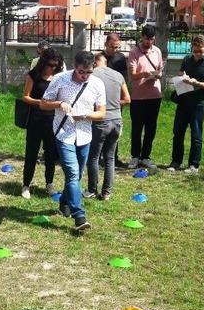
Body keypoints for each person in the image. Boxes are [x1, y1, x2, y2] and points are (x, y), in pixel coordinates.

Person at [40, 51, 106, 231]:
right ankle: (79, 215)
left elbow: (102, 113)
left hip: (85, 135)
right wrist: (59, 104)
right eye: (81, 71)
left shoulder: (97, 84)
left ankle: (63, 204)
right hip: (64, 133)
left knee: (76, 176)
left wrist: (85, 115)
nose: (85, 75)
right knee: (72, 173)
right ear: (74, 67)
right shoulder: (60, 79)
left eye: (89, 72)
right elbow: (43, 103)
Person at [168, 35, 204, 173]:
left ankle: (194, 164)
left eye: (200, 51)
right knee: (178, 132)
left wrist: (198, 84)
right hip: (183, 101)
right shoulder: (187, 59)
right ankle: (176, 161)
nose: (197, 54)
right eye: (195, 51)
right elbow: (180, 73)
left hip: (199, 103)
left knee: (196, 134)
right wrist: (182, 77)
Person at [86, 53, 130, 200]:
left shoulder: (92, 76)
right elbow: (127, 99)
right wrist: (114, 105)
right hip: (117, 120)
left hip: (100, 121)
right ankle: (106, 192)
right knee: (110, 158)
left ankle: (92, 189)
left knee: (94, 157)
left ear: (93, 63)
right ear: (105, 62)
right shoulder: (118, 75)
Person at [21, 47, 64, 199]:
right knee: (31, 152)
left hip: (53, 120)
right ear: (43, 62)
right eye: (50, 65)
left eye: (55, 65)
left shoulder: (58, 77)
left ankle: (49, 183)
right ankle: (26, 184)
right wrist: (41, 102)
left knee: (51, 153)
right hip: (35, 119)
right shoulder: (34, 75)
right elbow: (25, 97)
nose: (52, 68)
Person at [127, 25, 164, 169]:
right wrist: (144, 74)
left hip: (154, 95)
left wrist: (157, 74)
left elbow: (160, 70)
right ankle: (135, 156)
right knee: (137, 128)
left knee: (151, 127)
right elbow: (133, 75)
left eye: (152, 39)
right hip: (138, 96)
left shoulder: (157, 51)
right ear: (141, 37)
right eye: (147, 39)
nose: (149, 42)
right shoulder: (134, 53)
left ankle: (146, 157)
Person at [101, 32, 128, 168]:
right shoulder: (100, 58)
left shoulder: (121, 58)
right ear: (106, 44)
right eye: (112, 47)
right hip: (102, 99)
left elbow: (124, 78)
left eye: (117, 47)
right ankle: (100, 157)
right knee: (101, 129)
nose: (115, 50)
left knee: (115, 129)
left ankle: (113, 157)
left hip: (116, 99)